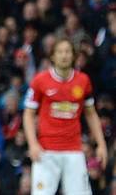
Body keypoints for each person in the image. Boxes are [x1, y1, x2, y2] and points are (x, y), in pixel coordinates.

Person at [23, 37, 108, 195]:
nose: (64, 55)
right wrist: (33, 143)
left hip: (74, 151)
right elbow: (28, 114)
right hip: (45, 151)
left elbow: (91, 113)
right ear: (53, 56)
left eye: (68, 52)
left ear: (73, 55)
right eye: (60, 52)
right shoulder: (40, 81)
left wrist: (101, 144)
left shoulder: (83, 81)